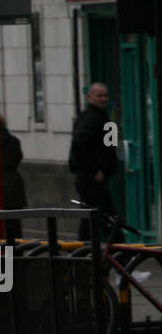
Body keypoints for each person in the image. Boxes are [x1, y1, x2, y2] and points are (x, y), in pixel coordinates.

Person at [70, 82, 120, 243]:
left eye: (106, 95)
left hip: (99, 176)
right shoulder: (91, 118)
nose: (103, 98)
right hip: (91, 178)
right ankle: (123, 259)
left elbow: (110, 146)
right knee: (105, 220)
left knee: (95, 220)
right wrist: (95, 170)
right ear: (89, 97)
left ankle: (86, 259)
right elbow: (79, 143)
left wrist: (108, 169)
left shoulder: (104, 118)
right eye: (99, 95)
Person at [0, 116, 27, 243]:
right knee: (14, 224)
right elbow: (18, 158)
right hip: (13, 184)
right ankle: (17, 252)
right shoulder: (13, 141)